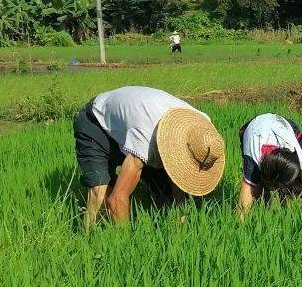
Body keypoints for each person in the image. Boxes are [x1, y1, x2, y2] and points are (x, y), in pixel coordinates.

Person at [73, 86, 225, 230]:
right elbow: (117, 198)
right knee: (101, 195)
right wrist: (125, 246)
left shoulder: (202, 129)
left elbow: (179, 173)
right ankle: (89, 238)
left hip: (135, 120)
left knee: (166, 194)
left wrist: (181, 214)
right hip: (97, 122)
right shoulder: (145, 141)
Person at [237, 113, 302, 215]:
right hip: (254, 130)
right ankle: (265, 213)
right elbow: (242, 210)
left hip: (283, 126)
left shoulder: (299, 157)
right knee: (258, 192)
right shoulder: (254, 160)